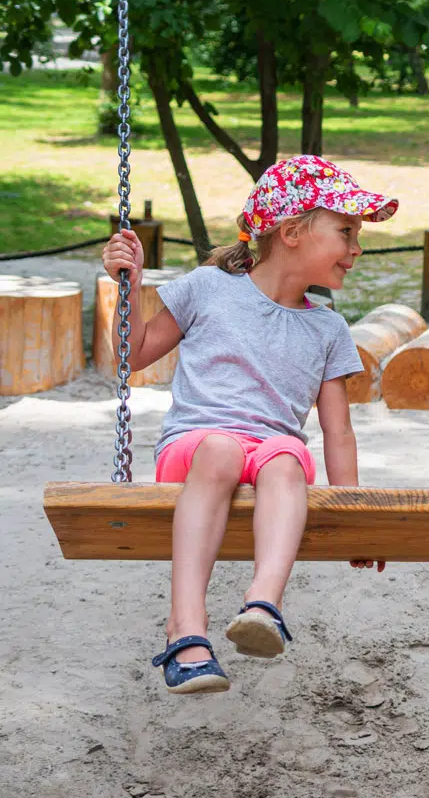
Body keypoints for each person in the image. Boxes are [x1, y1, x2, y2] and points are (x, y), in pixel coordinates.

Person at [102, 155, 395, 693]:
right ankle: (185, 629)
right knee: (222, 449)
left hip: (268, 461)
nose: (357, 249)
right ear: (291, 232)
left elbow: (338, 433)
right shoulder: (209, 288)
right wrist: (128, 284)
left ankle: (263, 605)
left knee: (286, 452)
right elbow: (135, 353)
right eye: (347, 231)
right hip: (196, 450)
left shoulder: (328, 327)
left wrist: (357, 517)